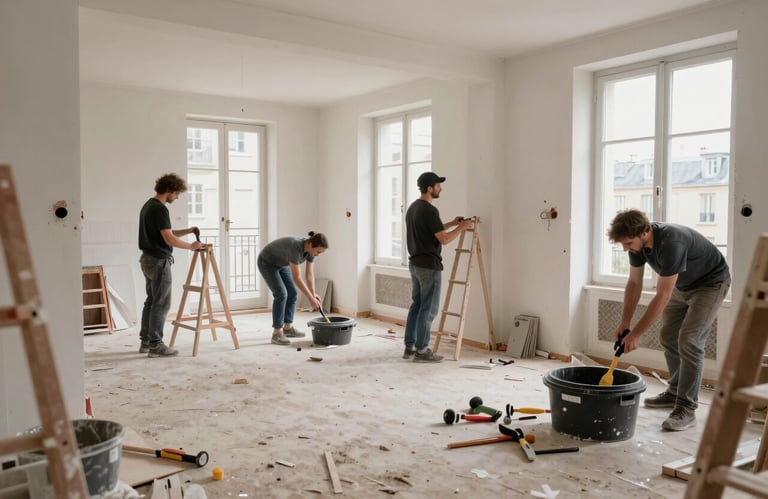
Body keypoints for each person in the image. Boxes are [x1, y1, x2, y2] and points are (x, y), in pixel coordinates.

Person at [607, 208, 730, 431]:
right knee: (668, 336)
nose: (625, 249)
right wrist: (625, 323)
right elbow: (634, 284)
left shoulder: (671, 241)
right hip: (682, 286)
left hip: (710, 284)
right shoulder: (638, 245)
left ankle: (686, 408)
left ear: (644, 232)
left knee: (690, 340)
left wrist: (636, 334)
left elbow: (663, 295)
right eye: (622, 244)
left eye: (627, 243)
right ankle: (674, 392)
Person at [403, 172, 474, 363]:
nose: (440, 188)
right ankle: (422, 350)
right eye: (438, 185)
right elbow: (444, 239)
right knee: (429, 309)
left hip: (415, 264)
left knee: (417, 305)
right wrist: (463, 227)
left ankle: (409, 347)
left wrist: (452, 223)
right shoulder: (429, 210)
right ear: (430, 188)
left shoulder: (414, 208)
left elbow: (431, 229)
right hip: (429, 266)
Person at [138, 173, 203, 357]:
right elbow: (168, 238)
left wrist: (188, 231)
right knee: (161, 303)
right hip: (159, 261)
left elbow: (166, 233)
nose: (178, 197)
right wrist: (191, 246)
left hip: (148, 259)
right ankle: (156, 345)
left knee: (151, 301)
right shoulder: (160, 209)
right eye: (177, 193)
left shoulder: (148, 206)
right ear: (169, 190)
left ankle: (145, 342)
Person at [257, 232, 328, 345]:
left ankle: (288, 328)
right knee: (281, 294)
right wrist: (310, 298)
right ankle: (276, 334)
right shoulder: (295, 247)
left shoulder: (311, 252)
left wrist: (313, 294)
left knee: (292, 293)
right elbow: (297, 277)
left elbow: (309, 274)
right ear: (311, 245)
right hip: (267, 262)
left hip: (281, 263)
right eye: (318, 251)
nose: (318, 254)